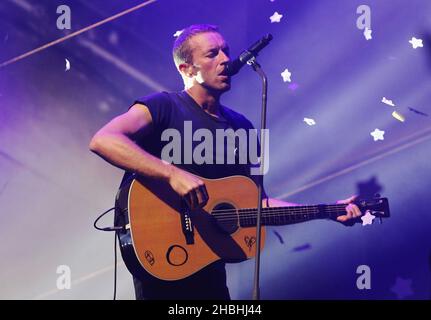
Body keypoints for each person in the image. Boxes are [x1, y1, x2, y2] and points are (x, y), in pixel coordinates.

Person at [89, 24, 362, 300]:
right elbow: (103, 139)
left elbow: (259, 204)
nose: (225, 59)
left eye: (226, 51)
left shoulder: (243, 127)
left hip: (210, 268)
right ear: (186, 69)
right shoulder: (163, 106)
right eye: (212, 54)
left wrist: (327, 210)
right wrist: (172, 174)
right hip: (164, 260)